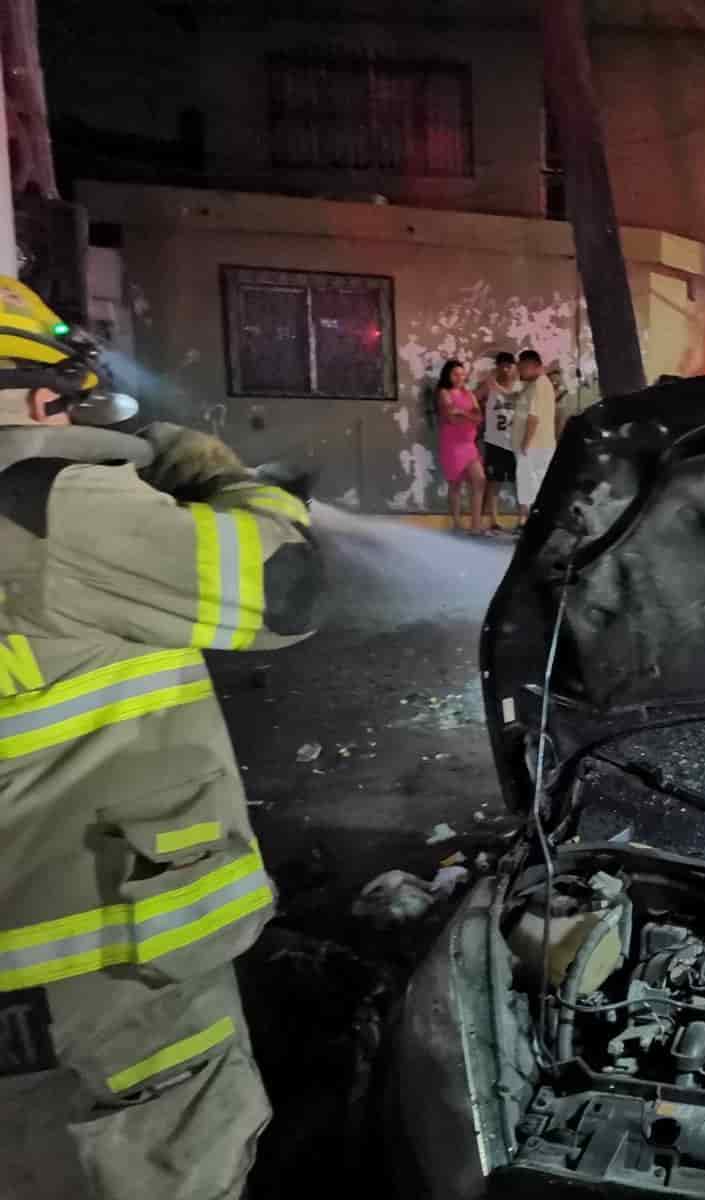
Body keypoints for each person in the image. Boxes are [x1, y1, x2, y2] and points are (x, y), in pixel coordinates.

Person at [0, 277, 323, 1199]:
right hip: (108, 996)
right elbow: (285, 588)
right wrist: (215, 474)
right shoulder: (45, 510)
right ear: (37, 394)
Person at [435, 359, 483, 534]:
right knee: (455, 484)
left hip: (469, 444)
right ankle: (456, 523)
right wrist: (468, 415)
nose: (460, 377)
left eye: (462, 374)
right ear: (448, 375)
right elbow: (451, 418)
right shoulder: (444, 392)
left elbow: (479, 418)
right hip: (452, 445)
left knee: (479, 480)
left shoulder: (469, 394)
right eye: (456, 374)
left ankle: (475, 525)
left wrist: (461, 412)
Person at [477, 351, 520, 535]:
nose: (505, 369)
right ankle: (493, 520)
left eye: (509, 365)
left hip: (516, 442)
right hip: (495, 441)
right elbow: (473, 398)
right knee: (493, 482)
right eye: (502, 365)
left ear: (515, 367)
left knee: (521, 483)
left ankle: (522, 520)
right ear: (497, 367)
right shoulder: (489, 387)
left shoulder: (521, 387)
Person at [515, 349, 557, 525]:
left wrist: (525, 443)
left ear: (532, 366)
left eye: (522, 367)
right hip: (536, 445)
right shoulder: (533, 385)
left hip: (534, 446)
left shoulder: (540, 385)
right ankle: (528, 523)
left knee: (530, 488)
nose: (519, 371)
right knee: (531, 487)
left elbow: (534, 417)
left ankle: (529, 524)